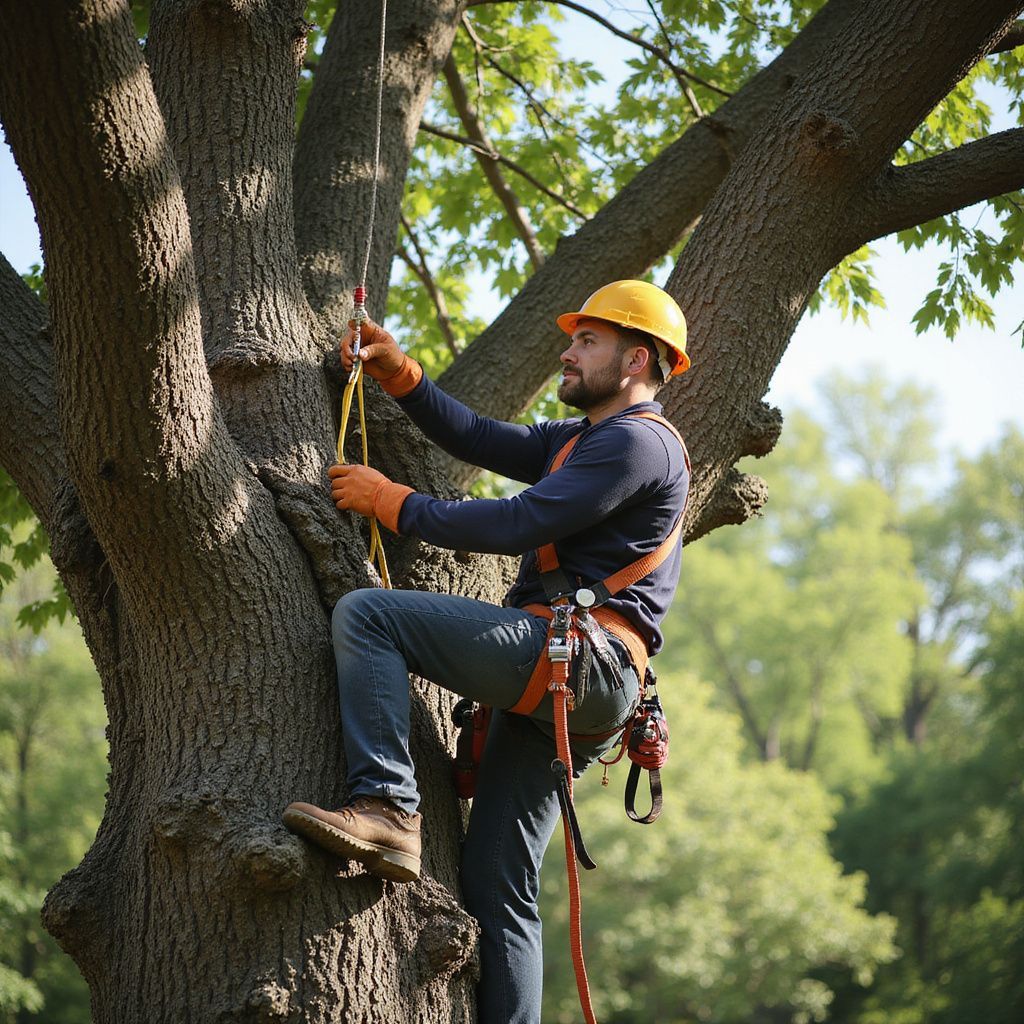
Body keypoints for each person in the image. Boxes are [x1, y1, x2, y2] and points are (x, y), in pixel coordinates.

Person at [284, 280, 691, 1023]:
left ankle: (388, 808)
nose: (567, 351)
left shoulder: (639, 441)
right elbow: (479, 437)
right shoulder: (581, 441)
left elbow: (519, 521)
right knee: (499, 884)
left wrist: (394, 502)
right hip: (576, 678)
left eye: (586, 342)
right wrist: (400, 374)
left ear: (637, 359)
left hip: (581, 661)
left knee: (369, 616)